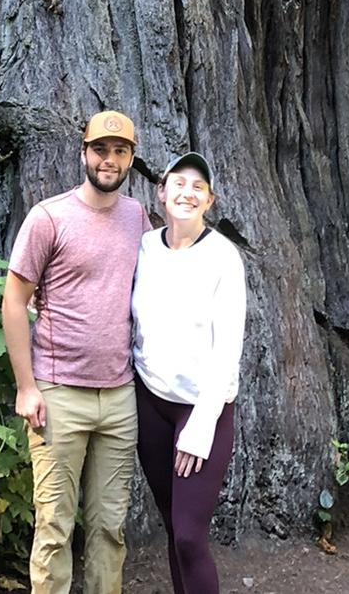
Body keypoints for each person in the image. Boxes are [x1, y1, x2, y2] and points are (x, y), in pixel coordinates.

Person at [2, 110, 151, 594]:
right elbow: (14, 300)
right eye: (101, 150)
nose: (110, 160)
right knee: (54, 527)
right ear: (84, 152)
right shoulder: (50, 217)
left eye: (120, 151)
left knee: (110, 527)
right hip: (58, 392)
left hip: (119, 395)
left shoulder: (138, 218)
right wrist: (27, 386)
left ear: (130, 159)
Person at [130, 152, 247, 594]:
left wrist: (199, 428)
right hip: (151, 404)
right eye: (178, 183)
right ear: (161, 193)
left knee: (189, 536)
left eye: (198, 187)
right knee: (171, 527)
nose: (187, 192)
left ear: (209, 201)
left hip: (202, 411)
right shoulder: (144, 248)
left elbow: (226, 350)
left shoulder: (222, 258)